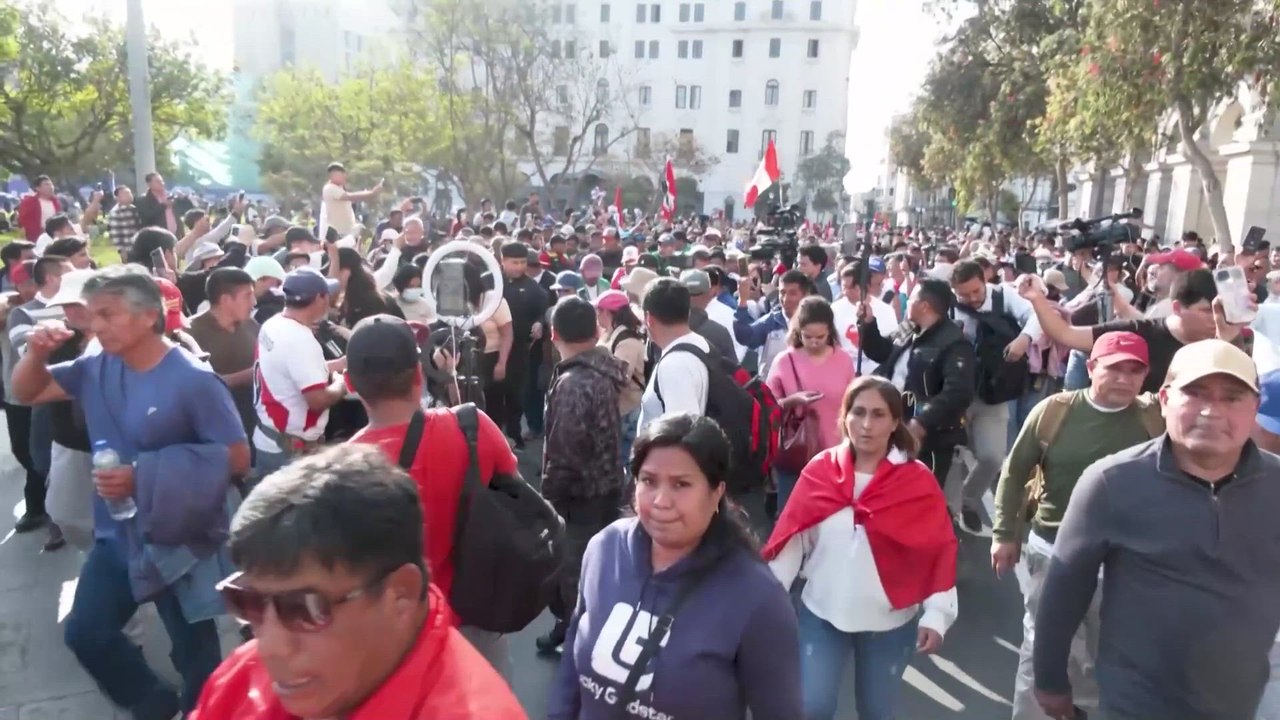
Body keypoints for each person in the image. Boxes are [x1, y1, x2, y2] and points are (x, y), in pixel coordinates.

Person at [13, 265, 250, 718]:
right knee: (86, 632)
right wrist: (35, 355)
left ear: (148, 317)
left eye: (108, 314)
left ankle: (205, 710)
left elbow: (237, 459)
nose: (96, 325)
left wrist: (143, 474)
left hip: (177, 534)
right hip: (116, 533)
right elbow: (28, 393)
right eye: (92, 314)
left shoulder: (193, 380)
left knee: (192, 647)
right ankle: (157, 707)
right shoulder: (95, 366)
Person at [1034, 339, 1280, 720]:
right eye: (1195, 394)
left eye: (1232, 397)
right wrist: (1049, 680)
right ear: (1164, 399)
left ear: (1255, 407)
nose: (1212, 411)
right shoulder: (1111, 482)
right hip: (1137, 702)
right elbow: (1063, 592)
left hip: (1243, 700)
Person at [190, 445, 527, 719]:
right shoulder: (239, 680)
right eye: (249, 603)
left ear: (401, 594)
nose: (269, 646)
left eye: (305, 608)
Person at [547, 413, 802, 720]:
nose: (661, 501)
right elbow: (572, 662)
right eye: (648, 481)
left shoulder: (757, 598)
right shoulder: (605, 549)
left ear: (716, 492)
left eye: (681, 484)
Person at [764, 376, 958, 720]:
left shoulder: (917, 480)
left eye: (879, 414)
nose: (867, 425)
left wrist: (938, 614)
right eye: (858, 412)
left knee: (875, 712)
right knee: (812, 708)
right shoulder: (820, 470)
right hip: (821, 613)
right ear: (844, 417)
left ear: (896, 421)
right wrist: (763, 605)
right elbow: (791, 541)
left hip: (890, 622)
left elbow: (936, 550)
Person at [993, 332, 1164, 720]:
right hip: (1054, 552)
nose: (1123, 378)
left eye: (1134, 370)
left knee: (1104, 655)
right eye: (1113, 368)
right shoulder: (1056, 411)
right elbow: (1015, 470)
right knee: (1042, 648)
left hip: (1123, 562)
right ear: (1090, 369)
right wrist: (1005, 533)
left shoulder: (1155, 418)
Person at [344, 315, 522, 675]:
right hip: (476, 621)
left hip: (394, 638)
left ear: (349, 383)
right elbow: (516, 496)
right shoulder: (474, 428)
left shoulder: (343, 469)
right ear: (418, 375)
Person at [537, 296, 627, 656]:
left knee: (576, 576)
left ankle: (583, 649)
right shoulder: (602, 369)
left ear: (554, 333)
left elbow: (566, 450)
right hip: (605, 485)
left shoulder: (573, 382)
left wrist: (549, 499)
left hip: (579, 496)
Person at [1022, 267, 1230, 395]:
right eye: (1206, 311)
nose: (1215, 318)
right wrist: (1037, 299)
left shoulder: (1227, 343)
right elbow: (1066, 334)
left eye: (1221, 310)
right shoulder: (1139, 334)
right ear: (1177, 308)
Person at [949, 259, 1044, 534]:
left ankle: (970, 498)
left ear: (985, 280)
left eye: (976, 291)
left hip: (994, 391)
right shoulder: (949, 305)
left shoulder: (1005, 297)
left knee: (992, 456)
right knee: (954, 453)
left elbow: (1036, 316)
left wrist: (1024, 339)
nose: (972, 299)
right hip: (957, 392)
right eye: (963, 294)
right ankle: (950, 510)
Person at [858, 277, 975, 489]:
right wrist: (868, 324)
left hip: (928, 437)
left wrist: (922, 422)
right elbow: (881, 351)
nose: (907, 302)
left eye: (911, 298)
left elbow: (958, 392)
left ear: (924, 306)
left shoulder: (955, 343)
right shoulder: (909, 328)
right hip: (893, 424)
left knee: (918, 493)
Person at [252, 267, 348, 475]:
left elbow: (287, 370)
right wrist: (341, 383)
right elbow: (317, 400)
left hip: (269, 439)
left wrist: (335, 364)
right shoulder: (301, 339)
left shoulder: (273, 324)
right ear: (319, 298)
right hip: (289, 453)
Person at [767, 296, 856, 510]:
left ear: (830, 333)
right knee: (791, 516)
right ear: (798, 332)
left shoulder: (843, 359)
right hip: (797, 451)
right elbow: (766, 406)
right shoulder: (785, 361)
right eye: (808, 337)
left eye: (820, 337)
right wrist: (792, 401)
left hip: (836, 453)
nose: (814, 342)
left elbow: (853, 402)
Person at [189, 268, 260, 441]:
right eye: (248, 295)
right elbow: (191, 388)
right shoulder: (190, 334)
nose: (254, 302)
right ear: (226, 300)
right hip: (216, 428)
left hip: (256, 422)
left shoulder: (252, 326)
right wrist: (251, 374)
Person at [637, 278, 711, 431]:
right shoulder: (701, 343)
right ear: (688, 312)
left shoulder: (675, 365)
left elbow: (683, 436)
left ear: (648, 318)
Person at [498, 240, 550, 449]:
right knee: (492, 395)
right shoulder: (491, 283)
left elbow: (543, 311)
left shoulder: (533, 288)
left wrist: (539, 323)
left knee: (516, 394)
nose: (519, 267)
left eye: (522, 262)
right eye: (514, 262)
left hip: (520, 350)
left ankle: (514, 434)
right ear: (503, 261)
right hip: (490, 348)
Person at [594, 290, 646, 467]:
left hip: (628, 411)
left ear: (608, 312)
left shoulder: (627, 341)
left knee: (625, 463)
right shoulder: (609, 334)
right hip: (618, 410)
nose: (597, 315)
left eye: (599, 310)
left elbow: (620, 378)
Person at [735, 269, 811, 378]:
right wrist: (742, 301)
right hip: (772, 390)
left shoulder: (815, 322)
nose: (785, 299)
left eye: (793, 293)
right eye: (782, 292)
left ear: (805, 295)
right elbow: (745, 337)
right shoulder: (770, 322)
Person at [831, 261, 898, 374]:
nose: (844, 292)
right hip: (842, 371)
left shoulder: (885, 311)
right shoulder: (834, 309)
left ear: (864, 286)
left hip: (876, 372)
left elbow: (891, 346)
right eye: (843, 287)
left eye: (850, 287)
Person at [320, 162, 383, 238]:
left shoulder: (339, 190)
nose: (343, 176)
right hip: (338, 234)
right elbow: (351, 196)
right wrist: (371, 193)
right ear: (331, 176)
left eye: (342, 173)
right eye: (337, 174)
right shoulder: (330, 188)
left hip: (346, 233)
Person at [17, 175, 60, 242]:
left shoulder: (56, 202)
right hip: (35, 237)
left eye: (51, 184)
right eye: (46, 184)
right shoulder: (29, 202)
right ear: (38, 188)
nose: (51, 187)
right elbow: (23, 222)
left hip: (54, 237)